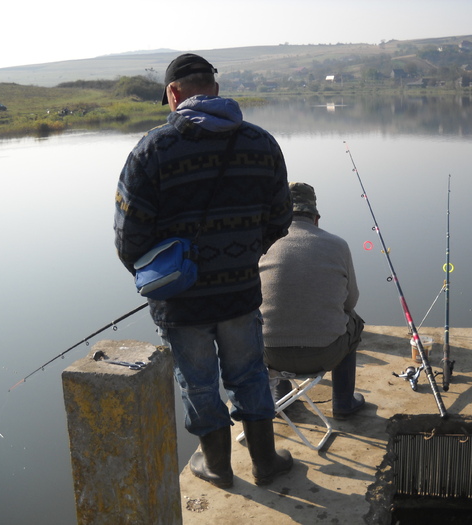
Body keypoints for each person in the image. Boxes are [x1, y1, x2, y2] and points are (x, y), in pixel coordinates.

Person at [114, 53, 294, 488]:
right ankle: (266, 463)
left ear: (173, 94)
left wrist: (168, 273)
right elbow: (280, 218)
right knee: (250, 374)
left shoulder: (151, 150)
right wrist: (242, 255)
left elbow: (128, 238)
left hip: (180, 301)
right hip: (240, 291)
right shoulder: (262, 143)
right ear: (214, 89)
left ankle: (217, 466)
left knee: (197, 385)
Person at [259, 182, 366, 419]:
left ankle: (281, 399)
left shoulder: (262, 244)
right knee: (355, 322)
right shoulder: (338, 245)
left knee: (266, 321)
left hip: (270, 355)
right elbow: (351, 303)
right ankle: (343, 403)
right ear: (316, 218)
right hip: (325, 354)